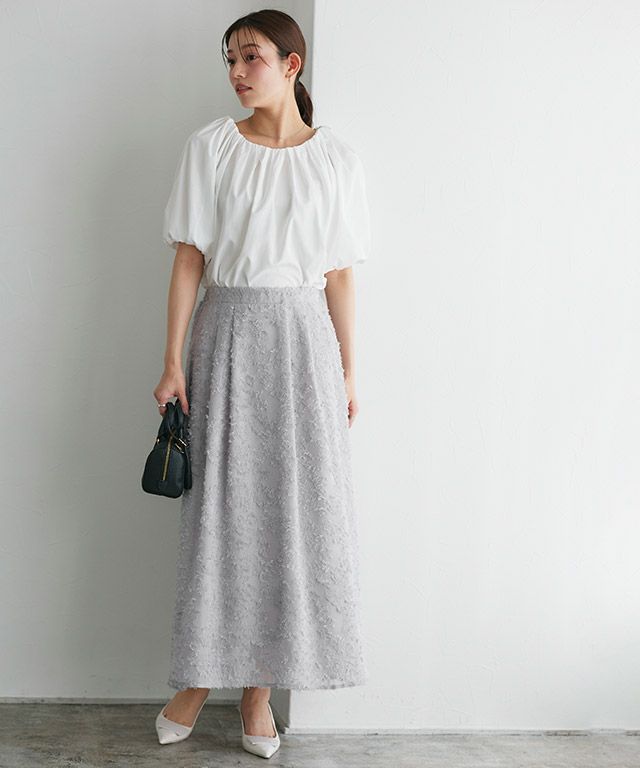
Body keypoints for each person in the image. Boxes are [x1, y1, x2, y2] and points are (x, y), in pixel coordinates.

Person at [152, 10, 371, 759]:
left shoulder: (336, 161)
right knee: (221, 509)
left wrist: (348, 367)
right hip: (228, 332)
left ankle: (258, 691)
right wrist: (173, 359)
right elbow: (189, 257)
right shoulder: (211, 148)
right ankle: (197, 677)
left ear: (291, 64)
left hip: (304, 342)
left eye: (251, 57)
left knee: (292, 515)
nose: (238, 72)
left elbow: (339, 274)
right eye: (230, 60)